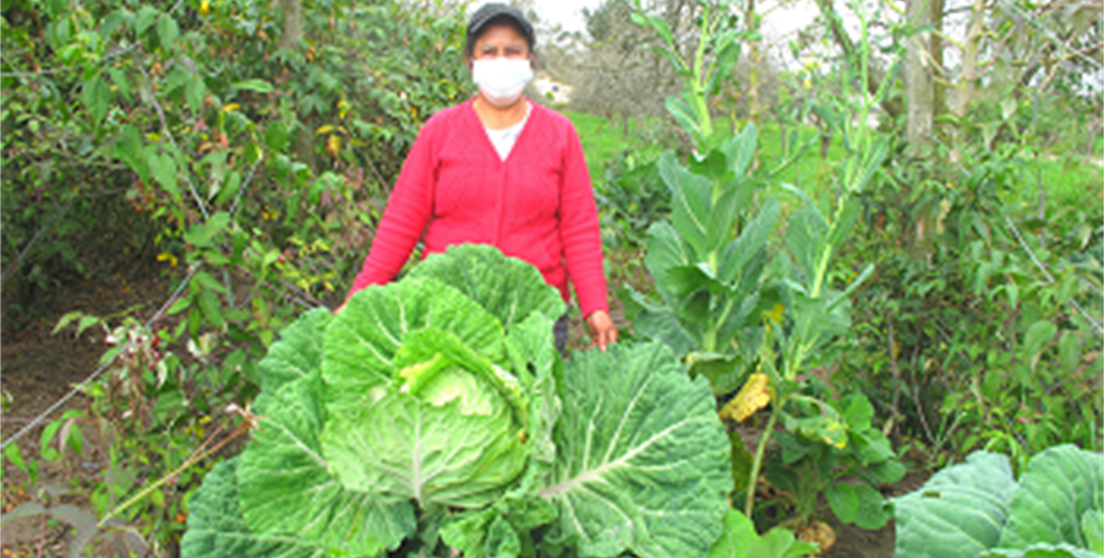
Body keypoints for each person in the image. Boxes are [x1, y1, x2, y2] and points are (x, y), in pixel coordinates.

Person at [342, 3, 618, 353]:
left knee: (533, 407)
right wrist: (361, 293)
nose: (501, 60)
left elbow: (579, 229)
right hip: (449, 313)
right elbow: (402, 222)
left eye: (512, 51)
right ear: (471, 63)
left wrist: (595, 306)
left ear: (530, 61)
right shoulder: (440, 131)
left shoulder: (560, 134)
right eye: (489, 52)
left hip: (534, 319)